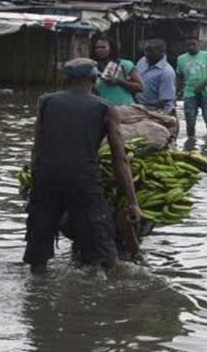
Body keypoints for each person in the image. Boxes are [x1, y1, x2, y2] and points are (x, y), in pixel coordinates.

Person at [25, 58, 141, 275]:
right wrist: (133, 202)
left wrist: (35, 185)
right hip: (83, 179)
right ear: (94, 78)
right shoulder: (105, 107)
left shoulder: (46, 101)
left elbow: (37, 147)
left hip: (46, 178)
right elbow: (119, 157)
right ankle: (115, 288)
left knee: (38, 251)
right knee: (105, 251)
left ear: (67, 79)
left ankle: (36, 296)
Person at [177, 37, 207, 138]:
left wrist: (202, 85)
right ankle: (190, 142)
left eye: (193, 44)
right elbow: (179, 76)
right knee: (190, 119)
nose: (191, 47)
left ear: (198, 45)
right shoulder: (181, 59)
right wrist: (177, 91)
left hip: (206, 91)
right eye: (189, 45)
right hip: (189, 92)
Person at [91, 34, 143, 106]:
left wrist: (119, 81)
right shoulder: (93, 68)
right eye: (97, 48)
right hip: (104, 110)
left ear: (111, 48)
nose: (99, 50)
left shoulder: (125, 64)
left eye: (103, 47)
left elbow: (140, 87)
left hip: (125, 109)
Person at [136, 39, 177, 116]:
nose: (146, 54)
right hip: (139, 107)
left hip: (157, 111)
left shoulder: (167, 72)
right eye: (145, 51)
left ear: (162, 53)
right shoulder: (142, 61)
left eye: (150, 51)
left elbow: (165, 100)